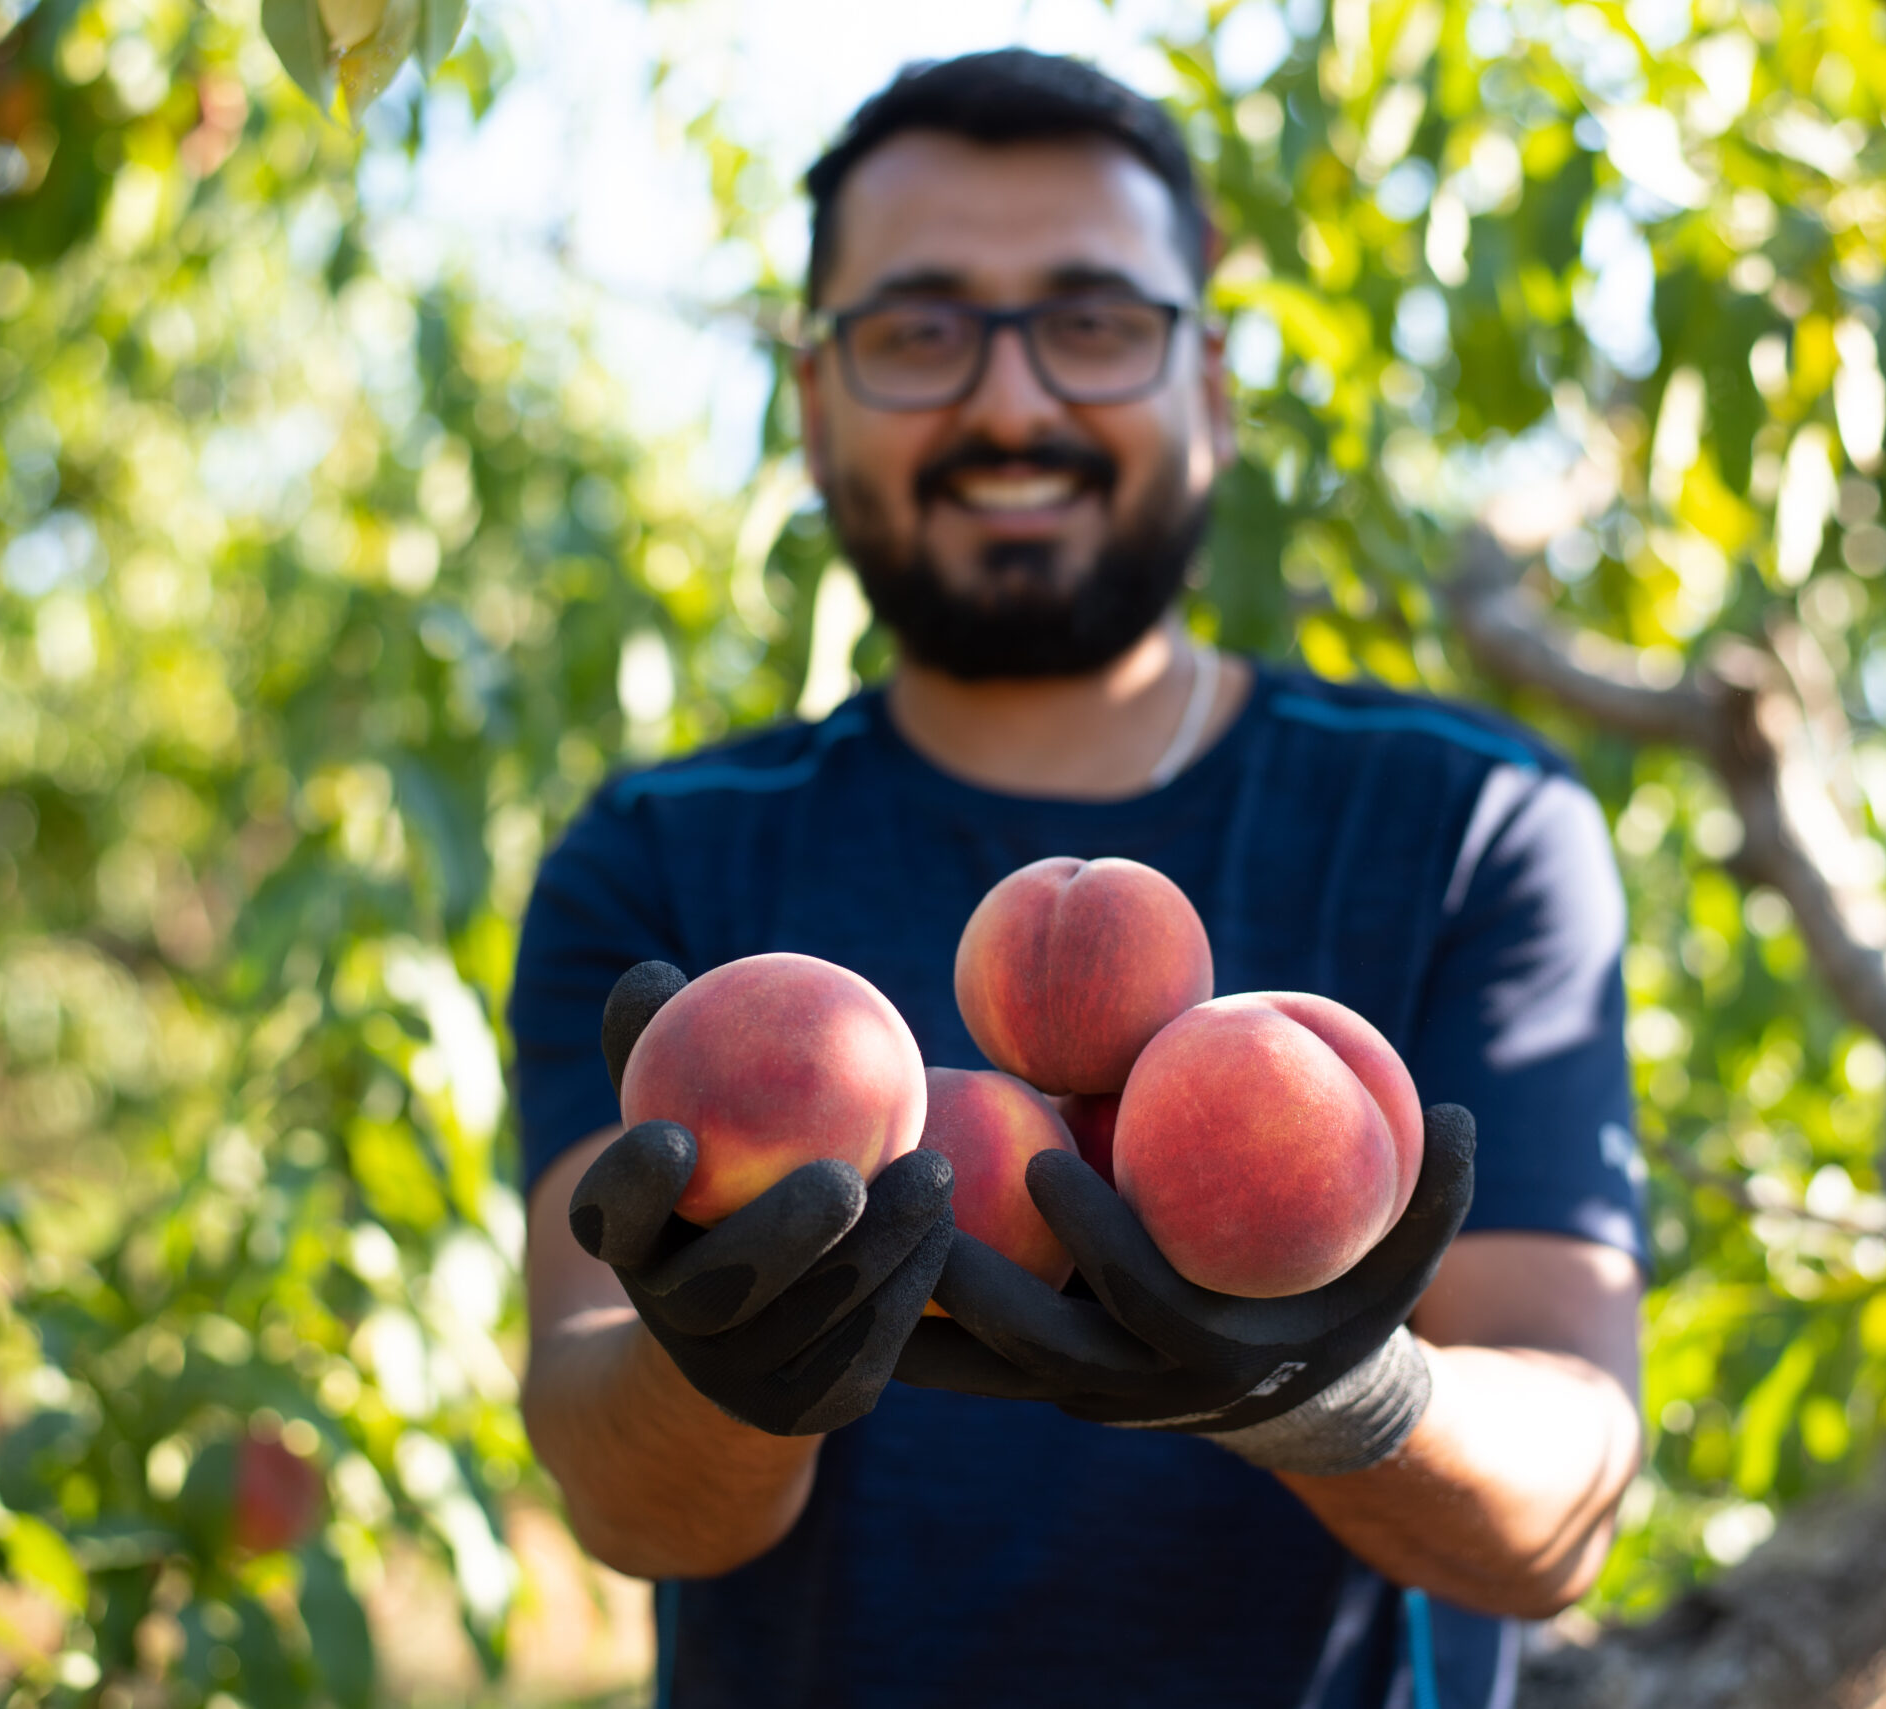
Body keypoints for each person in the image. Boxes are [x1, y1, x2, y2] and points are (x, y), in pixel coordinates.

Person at [514, 49, 1645, 1709]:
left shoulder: (1469, 819)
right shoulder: (663, 853)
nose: (1014, 402)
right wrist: (719, 1374)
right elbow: (612, 1480)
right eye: (919, 331)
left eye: (1094, 320)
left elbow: (1564, 1511)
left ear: (1213, 381)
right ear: (814, 399)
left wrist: (1339, 1392)